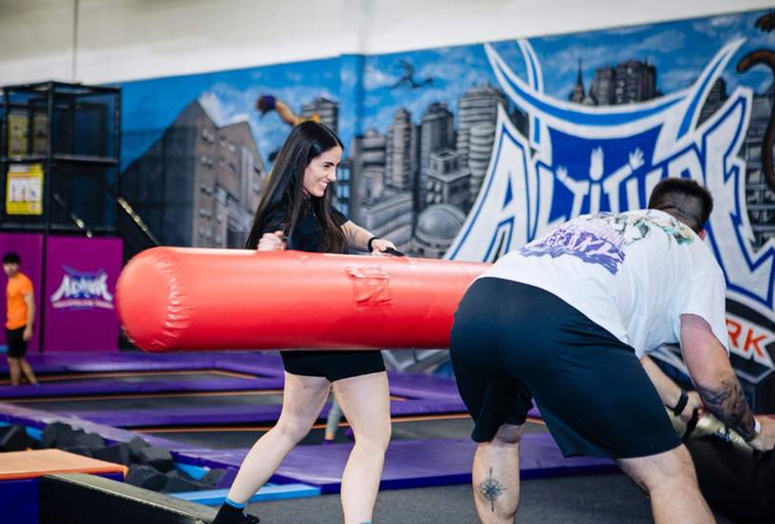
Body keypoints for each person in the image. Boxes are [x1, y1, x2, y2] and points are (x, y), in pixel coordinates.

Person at [449, 178, 775, 523]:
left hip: (477, 308)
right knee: (669, 473)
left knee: (499, 439)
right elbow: (713, 380)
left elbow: (616, 350)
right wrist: (754, 432)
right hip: (562, 323)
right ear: (703, 232)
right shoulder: (694, 251)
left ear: (650, 209)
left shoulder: (598, 221)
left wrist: (680, 401)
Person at [213, 121, 397, 524]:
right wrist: (266, 254)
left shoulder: (305, 203)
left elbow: (343, 226)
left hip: (301, 341)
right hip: (341, 336)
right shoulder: (282, 217)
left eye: (336, 168)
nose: (332, 177)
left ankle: (230, 513)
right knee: (373, 437)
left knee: (290, 427)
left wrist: (372, 242)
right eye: (326, 166)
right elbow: (266, 260)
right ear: (302, 162)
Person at [2, 252, 38, 387]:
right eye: (7, 265)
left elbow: (32, 305)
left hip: (21, 326)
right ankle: (33, 384)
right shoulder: (11, 281)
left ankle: (15, 388)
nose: (10, 268)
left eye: (13, 264)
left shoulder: (24, 282)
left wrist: (28, 328)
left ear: (18, 266)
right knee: (19, 359)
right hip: (11, 325)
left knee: (13, 360)